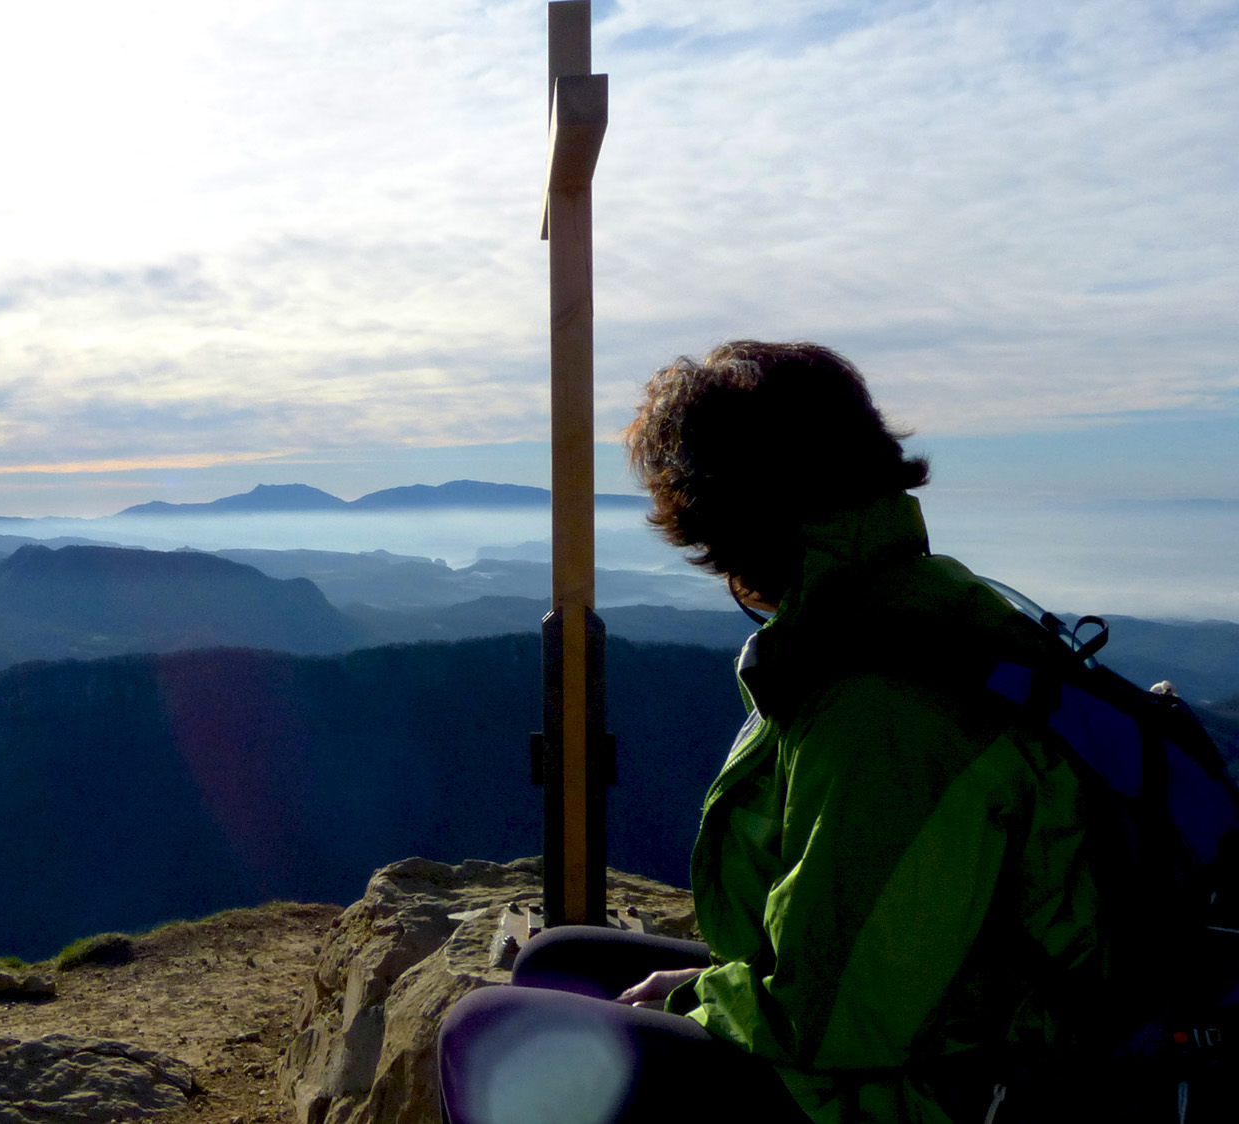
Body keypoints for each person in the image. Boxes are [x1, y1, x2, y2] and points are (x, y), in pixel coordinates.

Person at [438, 341, 1103, 1124]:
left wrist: (703, 1003)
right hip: (938, 1016)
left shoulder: (883, 707)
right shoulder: (901, 606)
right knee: (565, 959)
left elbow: (830, 1020)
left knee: (485, 1033)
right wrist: (704, 993)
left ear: (733, 514)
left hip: (947, 1086)